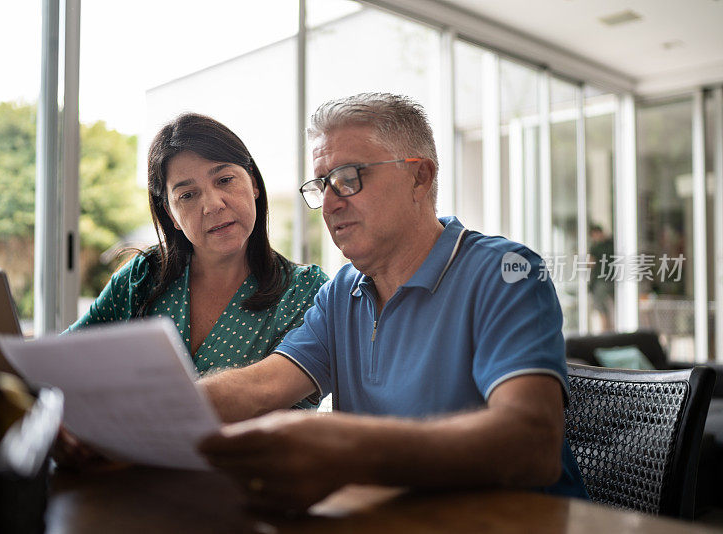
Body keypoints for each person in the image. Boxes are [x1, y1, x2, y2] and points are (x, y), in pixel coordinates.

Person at [197, 93, 587, 511]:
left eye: (349, 177)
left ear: (419, 178)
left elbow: (531, 443)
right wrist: (155, 413)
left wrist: (349, 451)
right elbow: (262, 385)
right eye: (322, 184)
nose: (329, 203)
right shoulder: (342, 290)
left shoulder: (507, 272)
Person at [68, 113, 328, 375]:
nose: (213, 205)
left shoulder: (304, 292)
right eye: (188, 195)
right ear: (171, 215)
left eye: (224, 180)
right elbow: (63, 359)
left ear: (254, 183)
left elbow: (289, 401)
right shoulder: (141, 278)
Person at [588, 224, 614, 331]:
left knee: (601, 308)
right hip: (612, 280)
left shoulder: (596, 247)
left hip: (602, 281)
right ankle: (609, 329)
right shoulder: (612, 244)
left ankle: (605, 330)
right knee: (607, 307)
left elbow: (591, 263)